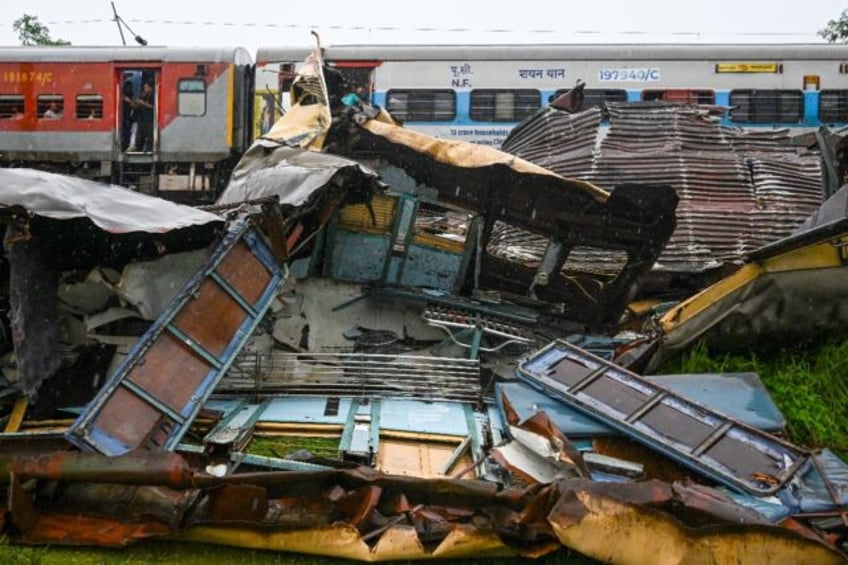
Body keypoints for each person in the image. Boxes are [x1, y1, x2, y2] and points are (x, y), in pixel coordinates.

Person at [134, 82, 154, 152]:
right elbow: (136, 107)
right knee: (140, 134)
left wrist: (143, 103)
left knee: (149, 135)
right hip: (142, 119)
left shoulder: (153, 96)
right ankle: (138, 148)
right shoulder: (144, 96)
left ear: (150, 88)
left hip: (149, 119)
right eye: (144, 88)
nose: (145, 89)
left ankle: (149, 148)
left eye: (146, 87)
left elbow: (153, 107)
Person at [121, 80, 136, 151]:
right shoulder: (123, 96)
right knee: (126, 132)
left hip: (127, 116)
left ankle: (125, 146)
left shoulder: (129, 96)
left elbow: (133, 106)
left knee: (127, 132)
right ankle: (124, 146)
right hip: (125, 116)